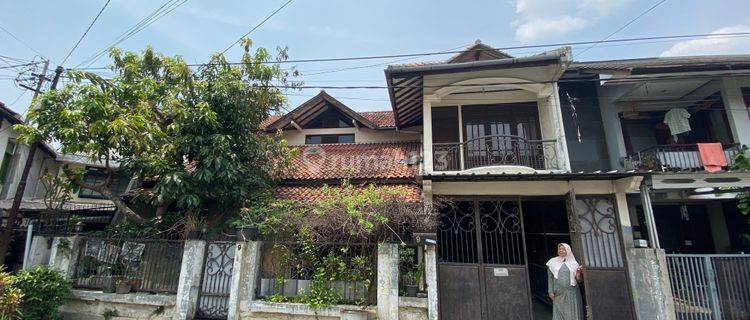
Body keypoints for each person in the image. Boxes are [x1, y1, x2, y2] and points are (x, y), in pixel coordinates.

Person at [546, 243, 584, 320]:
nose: (561, 250)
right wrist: (550, 291)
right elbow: (550, 278)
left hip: (571, 292)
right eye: (559, 249)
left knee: (571, 313)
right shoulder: (552, 262)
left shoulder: (574, 263)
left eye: (563, 249)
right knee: (558, 313)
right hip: (558, 293)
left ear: (568, 251)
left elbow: (579, 280)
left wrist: (578, 273)